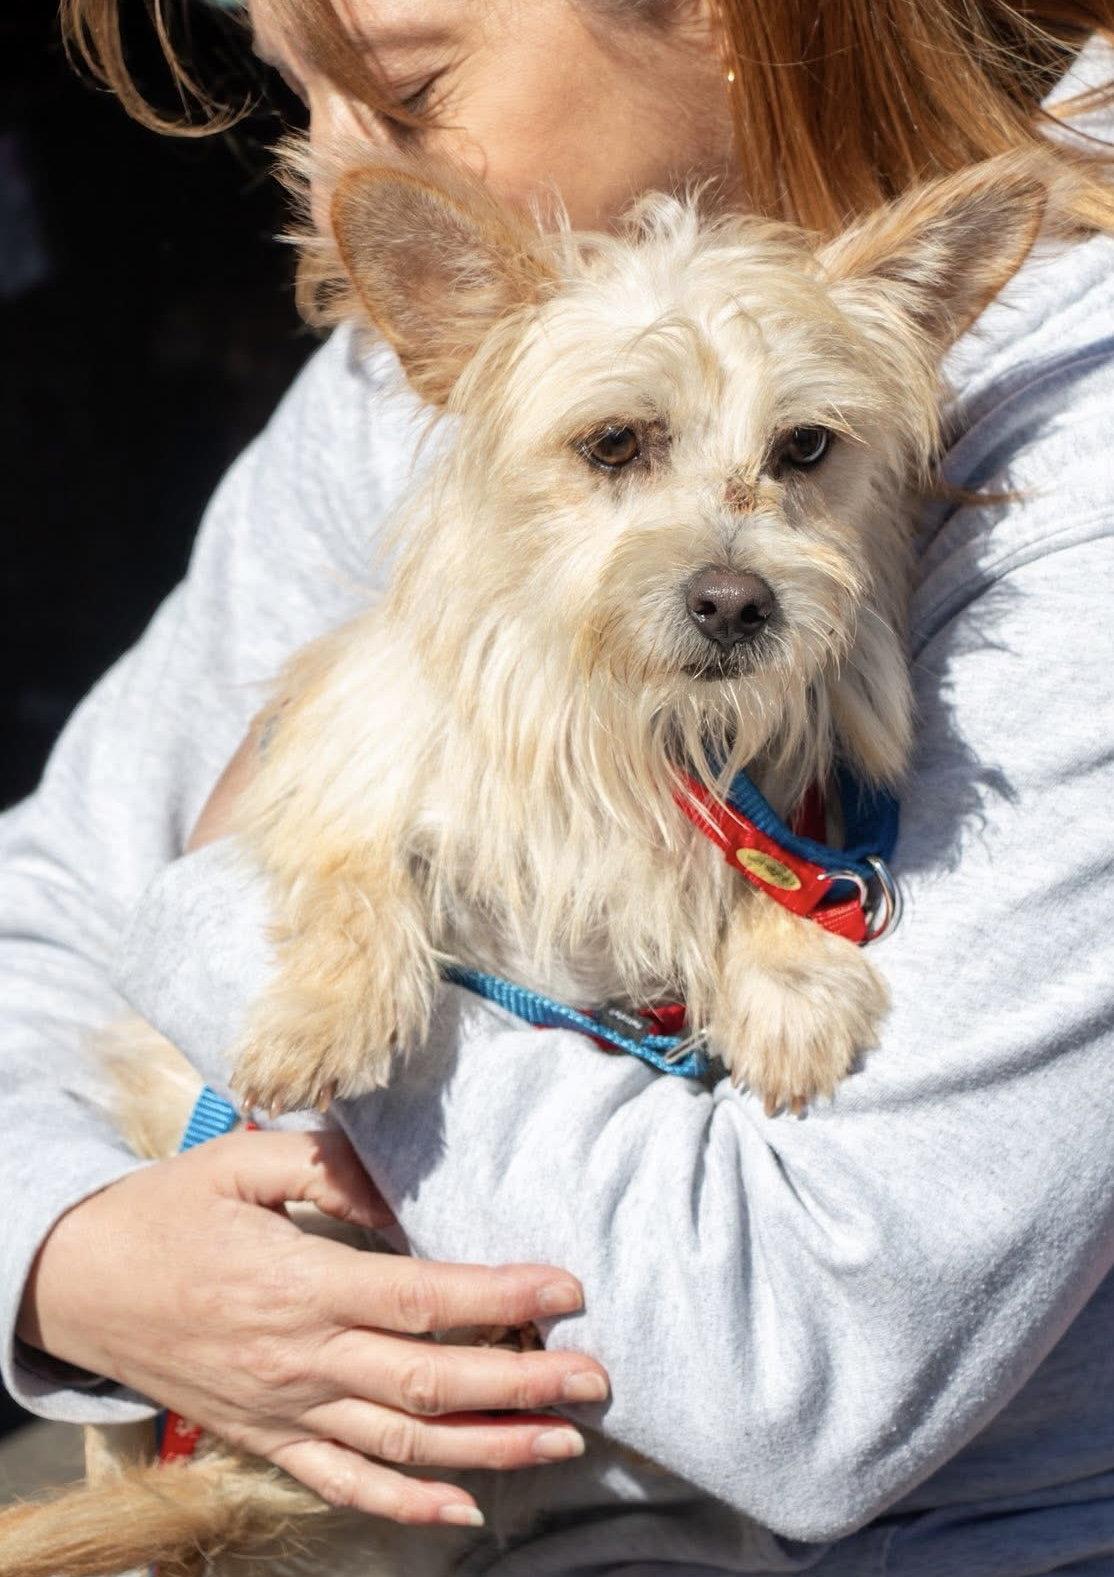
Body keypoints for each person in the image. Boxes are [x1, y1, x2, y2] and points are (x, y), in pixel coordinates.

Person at [5, 0, 1114, 1570]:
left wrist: (214, 910)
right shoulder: (456, 341)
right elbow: (43, 899)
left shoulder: (1078, 443)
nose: (332, 169)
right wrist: (66, 1246)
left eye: (404, 86)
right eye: (298, 92)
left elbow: (809, 1377)